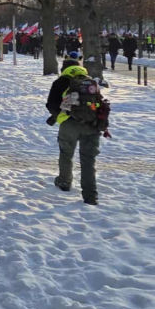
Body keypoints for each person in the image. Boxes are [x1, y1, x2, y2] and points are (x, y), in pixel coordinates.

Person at [45, 61, 109, 206]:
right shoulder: (90, 82)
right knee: (88, 160)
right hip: (92, 125)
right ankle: (90, 196)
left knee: (66, 154)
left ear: (64, 69)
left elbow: (51, 104)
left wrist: (59, 115)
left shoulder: (61, 82)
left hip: (69, 124)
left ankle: (64, 181)